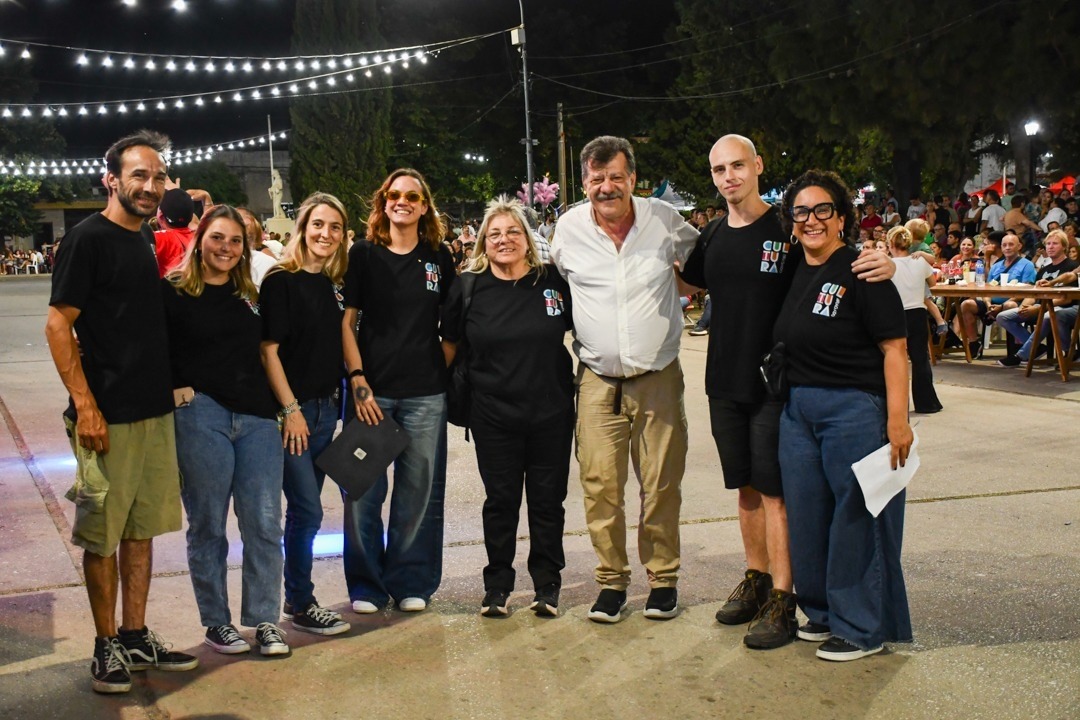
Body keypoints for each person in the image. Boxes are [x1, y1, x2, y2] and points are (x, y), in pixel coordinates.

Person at [679, 134, 894, 649]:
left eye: (737, 165)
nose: (729, 176)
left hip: (776, 384)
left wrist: (892, 262)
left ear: (757, 165)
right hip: (722, 379)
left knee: (778, 495)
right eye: (719, 169)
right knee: (745, 489)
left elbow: (835, 257)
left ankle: (784, 597)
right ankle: (756, 580)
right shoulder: (711, 234)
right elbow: (686, 283)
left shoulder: (788, 226)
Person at [44, 129, 198, 694]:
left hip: (152, 411)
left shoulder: (144, 239)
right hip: (106, 416)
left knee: (141, 531)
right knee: (102, 535)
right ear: (111, 179)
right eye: (139, 175)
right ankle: (105, 642)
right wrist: (86, 405)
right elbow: (58, 324)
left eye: (158, 177)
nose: (150, 186)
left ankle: (134, 634)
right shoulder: (87, 239)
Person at [550, 135, 698, 623]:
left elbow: (702, 267)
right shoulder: (568, 229)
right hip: (597, 379)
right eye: (597, 179)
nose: (607, 187)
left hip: (658, 376)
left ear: (633, 179)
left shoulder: (664, 220)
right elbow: (554, 284)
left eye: (616, 177)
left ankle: (663, 580)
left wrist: (683, 286)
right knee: (600, 485)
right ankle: (611, 582)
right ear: (584, 183)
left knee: (661, 484)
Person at [775, 169, 913, 662]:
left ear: (841, 218)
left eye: (822, 210)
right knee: (808, 515)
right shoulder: (794, 267)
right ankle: (823, 612)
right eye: (801, 211)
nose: (811, 219)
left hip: (854, 408)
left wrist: (897, 420)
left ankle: (861, 628)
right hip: (798, 410)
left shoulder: (864, 271)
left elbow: (896, 350)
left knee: (858, 517)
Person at [162, 205, 289, 657]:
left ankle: (265, 620)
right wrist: (177, 390)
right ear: (200, 240)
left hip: (257, 419)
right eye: (217, 238)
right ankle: (217, 622)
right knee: (208, 524)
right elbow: (154, 348)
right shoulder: (173, 291)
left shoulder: (250, 293)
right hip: (202, 416)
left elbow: (268, 351)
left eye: (236, 241)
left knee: (264, 522)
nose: (226, 248)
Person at [441, 197, 574, 617]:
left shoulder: (551, 281)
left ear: (528, 238)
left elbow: (583, 328)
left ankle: (547, 585)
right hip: (493, 416)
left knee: (548, 502)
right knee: (500, 502)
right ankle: (497, 585)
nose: (504, 240)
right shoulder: (468, 287)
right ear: (483, 241)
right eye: (495, 234)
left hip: (551, 413)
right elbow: (448, 347)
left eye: (513, 232)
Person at [340, 169, 455, 614]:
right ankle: (366, 585)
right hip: (373, 393)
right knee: (362, 493)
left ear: (424, 206)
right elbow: (347, 323)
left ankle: (411, 581)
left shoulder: (438, 257)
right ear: (383, 202)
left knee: (418, 493)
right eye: (393, 194)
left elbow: (451, 327)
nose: (402, 201)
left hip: (425, 395)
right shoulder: (364, 253)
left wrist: (432, 368)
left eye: (412, 196)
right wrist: (358, 379)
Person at [259, 192, 351, 636]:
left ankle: (297, 599)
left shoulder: (331, 285)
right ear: (302, 228)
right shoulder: (281, 280)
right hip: (292, 417)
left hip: (325, 412)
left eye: (335, 227)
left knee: (302, 512)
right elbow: (268, 350)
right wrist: (290, 409)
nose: (325, 234)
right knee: (308, 511)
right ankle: (300, 600)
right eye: (318, 224)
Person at [996, 229, 1079, 367]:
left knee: (1048, 315)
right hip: (1041, 307)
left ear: (1064, 247)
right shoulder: (1044, 270)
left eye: (1055, 244)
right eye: (1048, 244)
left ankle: (1021, 355)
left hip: (1062, 307)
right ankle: (1037, 347)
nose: (1050, 247)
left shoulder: (1072, 266)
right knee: (1003, 317)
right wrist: (1025, 307)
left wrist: (1039, 308)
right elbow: (1033, 294)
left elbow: (1066, 299)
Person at [887, 226, 942, 413]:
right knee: (920, 359)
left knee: (895, 358)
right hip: (917, 312)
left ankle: (895, 404)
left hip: (895, 314)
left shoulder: (888, 264)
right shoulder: (920, 262)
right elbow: (932, 283)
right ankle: (927, 403)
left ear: (891, 244)